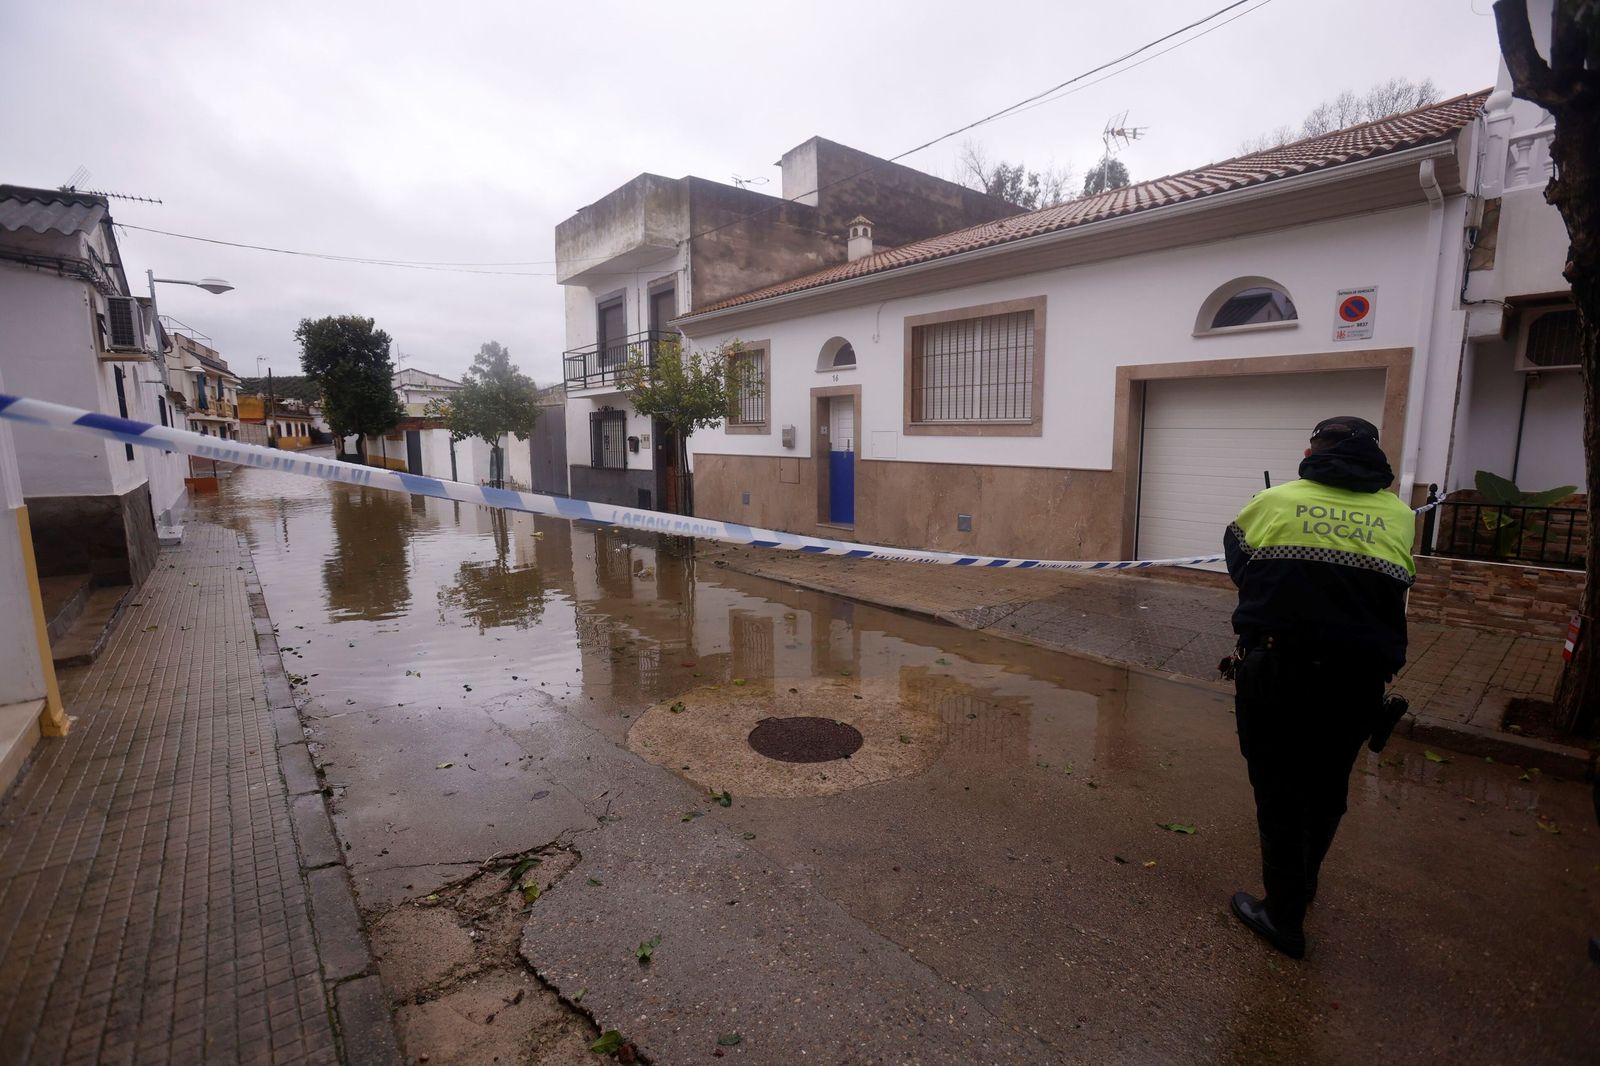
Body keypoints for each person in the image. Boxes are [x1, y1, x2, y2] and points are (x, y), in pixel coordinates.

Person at [1222, 415, 1416, 959]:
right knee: (1327, 789)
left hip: (1278, 669)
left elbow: (1240, 565)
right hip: (1359, 681)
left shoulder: (1275, 501)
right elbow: (1397, 583)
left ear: (1312, 453)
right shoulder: (1400, 516)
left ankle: (1283, 917)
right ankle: (1302, 886)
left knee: (1277, 788)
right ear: (1375, 458)